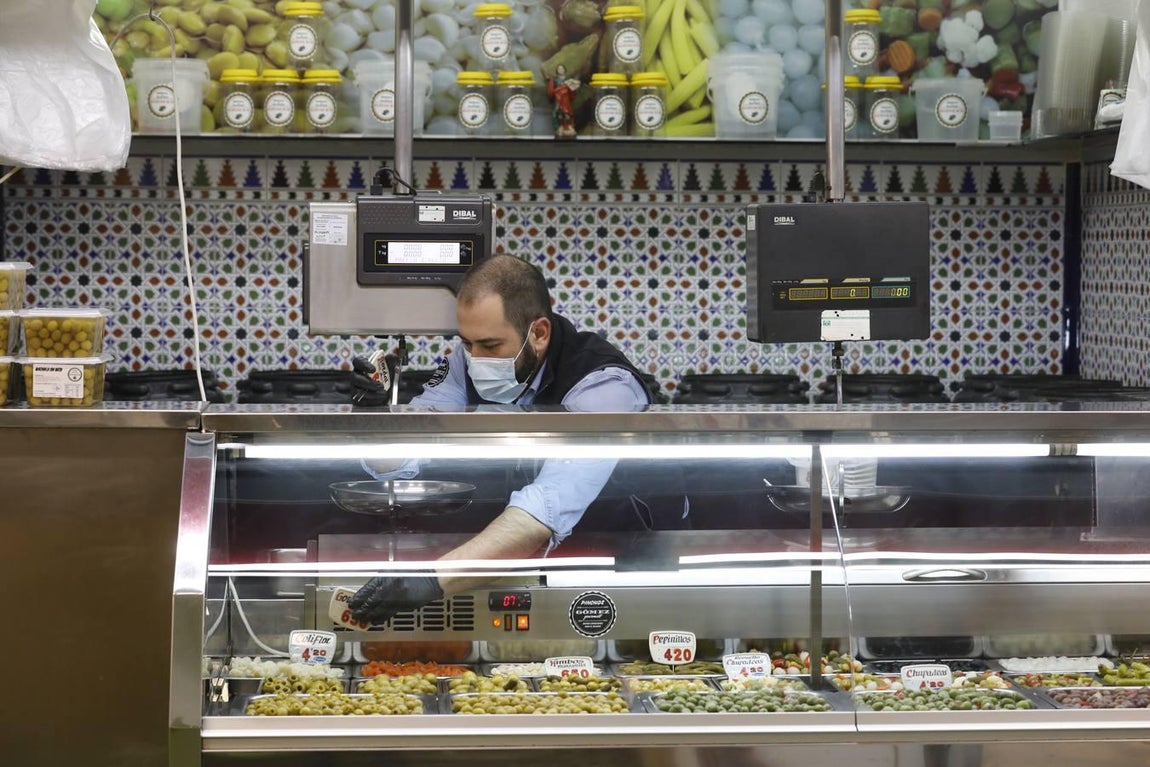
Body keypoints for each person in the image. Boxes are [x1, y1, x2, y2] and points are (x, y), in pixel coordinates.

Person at [346, 254, 652, 625]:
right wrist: (380, 424)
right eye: (467, 344)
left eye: (490, 346)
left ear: (538, 334)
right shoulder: (465, 361)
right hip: (504, 561)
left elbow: (545, 508)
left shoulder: (605, 386)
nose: (475, 359)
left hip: (615, 564)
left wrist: (430, 580)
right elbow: (410, 449)